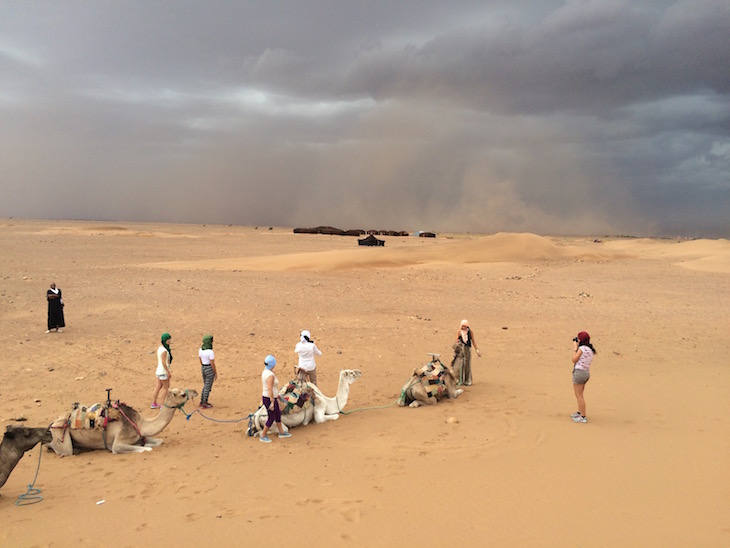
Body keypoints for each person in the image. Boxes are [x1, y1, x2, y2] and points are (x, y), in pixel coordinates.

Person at [259, 354, 292, 443]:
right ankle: (263, 435)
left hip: (271, 397)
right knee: (271, 417)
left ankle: (281, 432)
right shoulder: (270, 375)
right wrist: (272, 401)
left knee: (278, 414)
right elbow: (269, 388)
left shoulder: (266, 372)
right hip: (269, 398)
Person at [571, 331, 597, 423]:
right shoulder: (590, 350)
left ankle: (583, 416)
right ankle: (579, 412)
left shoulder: (581, 349)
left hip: (579, 373)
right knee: (580, 395)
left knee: (579, 396)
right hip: (586, 373)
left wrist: (575, 348)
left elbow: (574, 359)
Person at [454, 319, 481, 386]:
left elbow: (473, 341)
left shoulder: (470, 332)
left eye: (465, 326)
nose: (463, 328)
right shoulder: (459, 332)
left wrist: (477, 350)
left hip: (467, 349)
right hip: (461, 349)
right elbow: (456, 340)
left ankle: (467, 380)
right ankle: (459, 380)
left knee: (467, 364)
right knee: (460, 365)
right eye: (463, 326)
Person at [151, 333, 173, 409]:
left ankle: (154, 403)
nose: (170, 340)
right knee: (166, 388)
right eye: (168, 339)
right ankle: (162, 404)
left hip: (159, 371)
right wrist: (168, 371)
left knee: (158, 387)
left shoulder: (160, 348)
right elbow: (164, 362)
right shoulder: (165, 351)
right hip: (163, 371)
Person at [198, 334, 217, 409]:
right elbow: (212, 363)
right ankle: (204, 403)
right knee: (208, 386)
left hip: (203, 367)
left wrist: (203, 366)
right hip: (209, 368)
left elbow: (200, 359)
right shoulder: (210, 352)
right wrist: (215, 372)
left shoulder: (200, 349)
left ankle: (202, 400)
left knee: (205, 385)